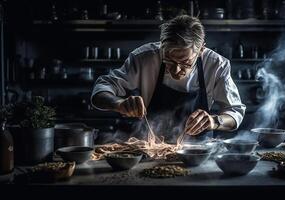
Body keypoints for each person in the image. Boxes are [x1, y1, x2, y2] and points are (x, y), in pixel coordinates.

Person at [91, 15, 246, 143]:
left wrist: (214, 121)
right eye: (169, 61)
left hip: (196, 152)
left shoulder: (216, 65)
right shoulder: (144, 58)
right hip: (150, 147)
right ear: (162, 49)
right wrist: (119, 104)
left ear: (201, 50)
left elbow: (234, 112)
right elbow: (101, 90)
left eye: (186, 62)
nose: (176, 70)